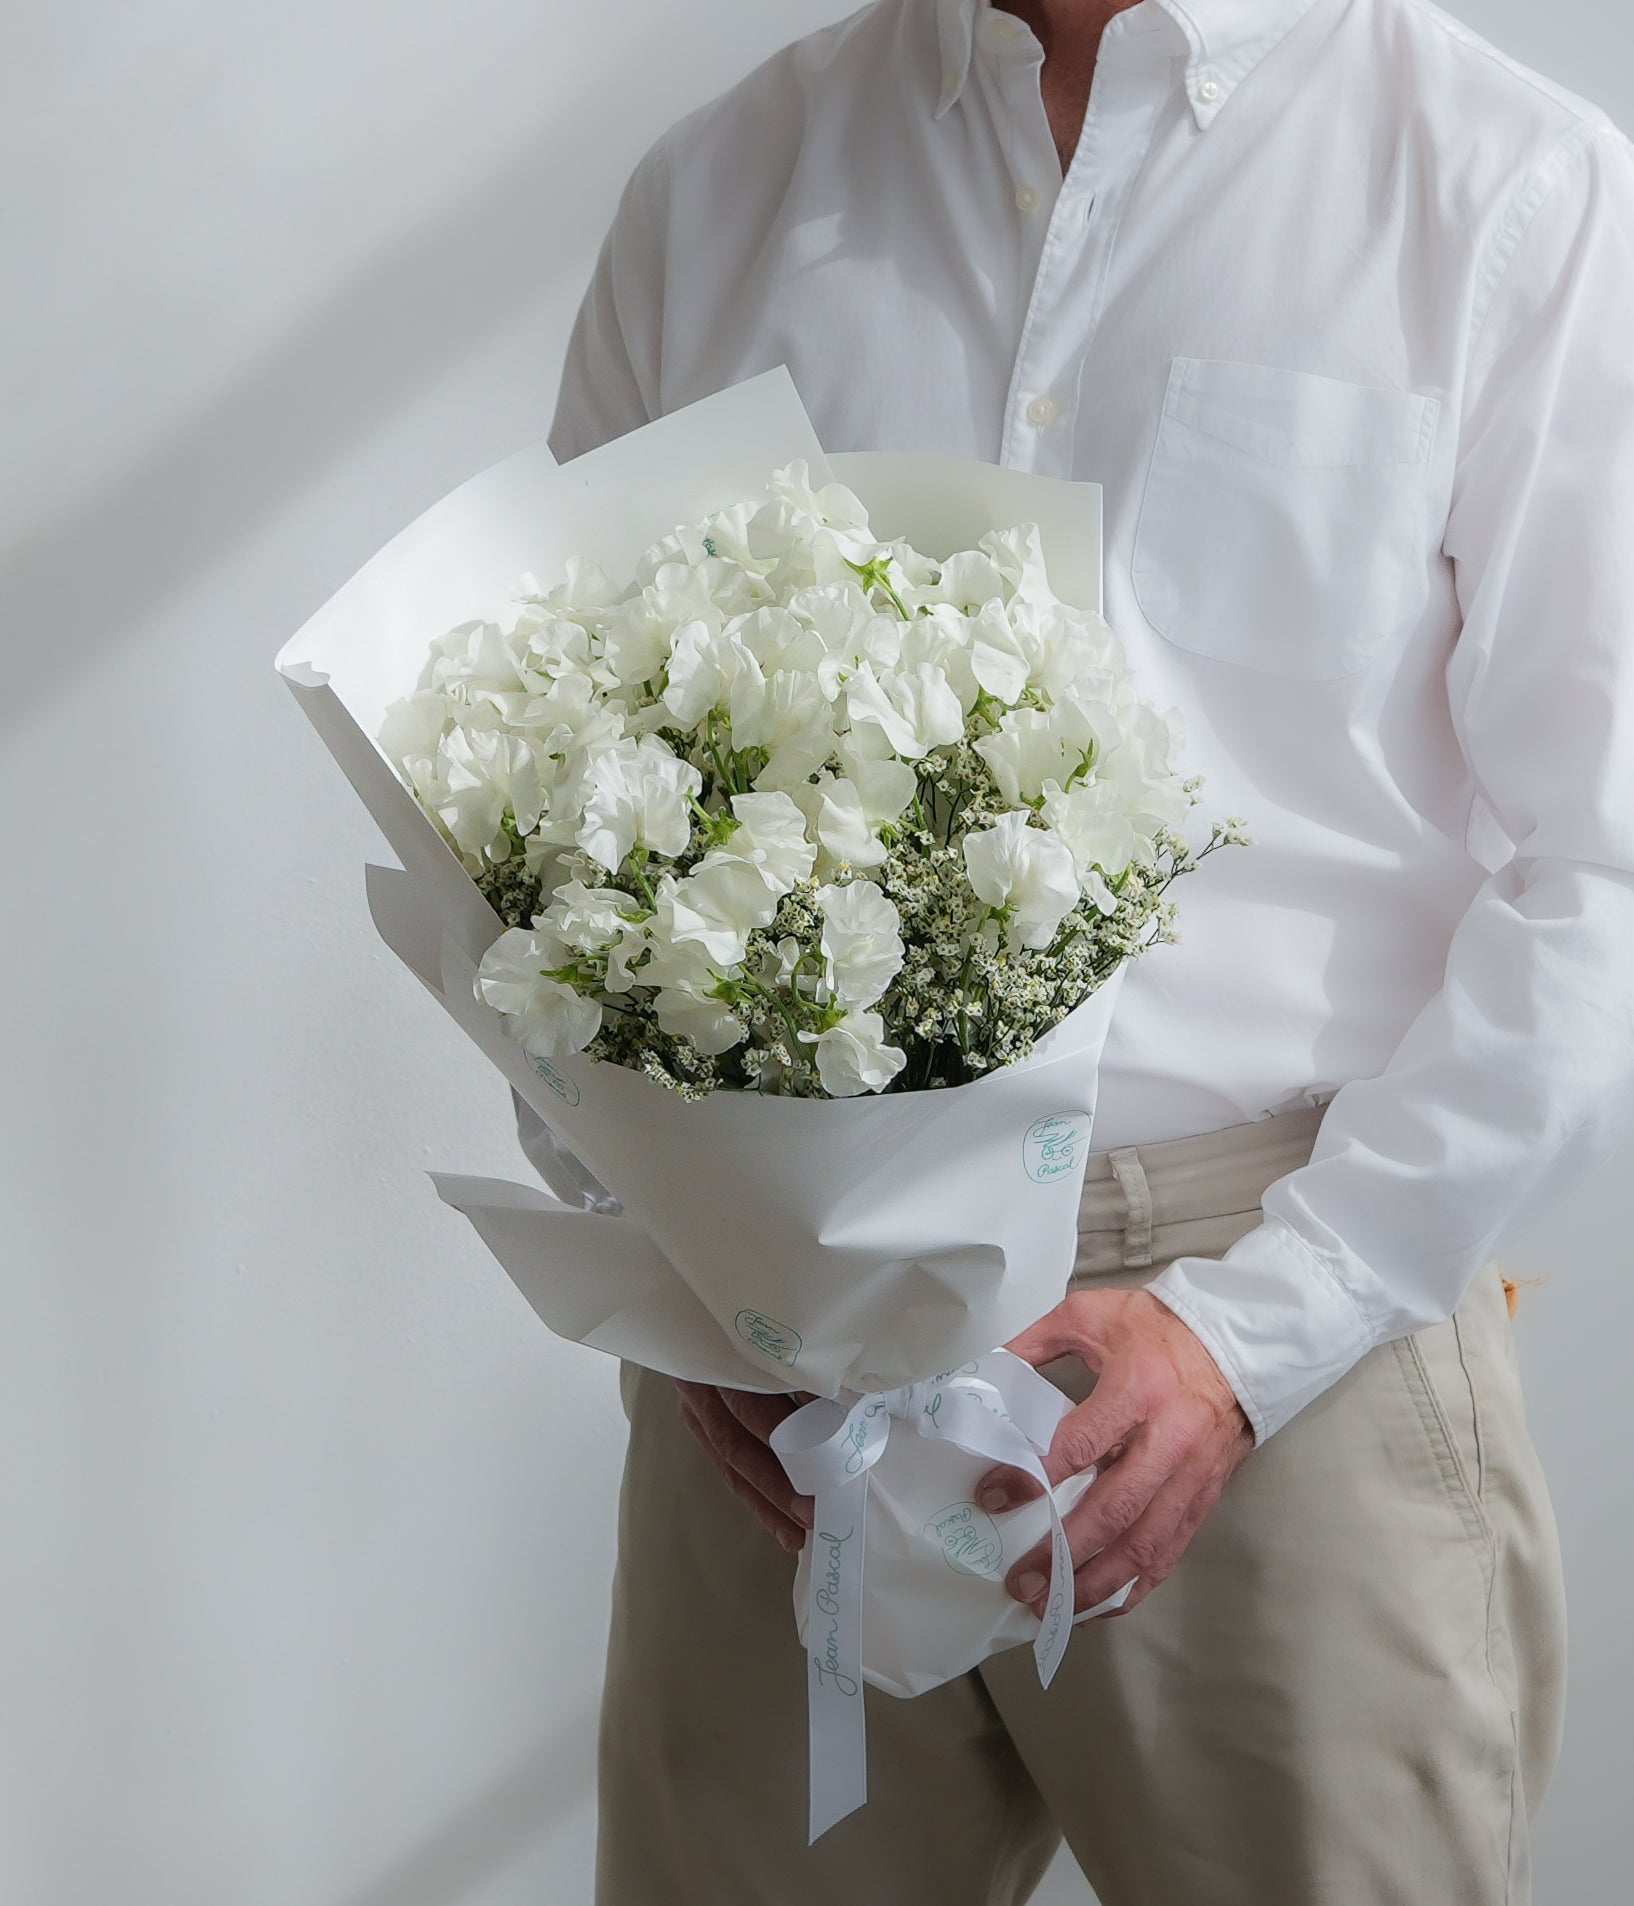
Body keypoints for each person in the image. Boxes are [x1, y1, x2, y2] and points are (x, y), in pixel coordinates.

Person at [534, 2, 1634, 1899]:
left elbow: (1600, 862)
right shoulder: (722, 191)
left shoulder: (1512, 191)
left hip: (1293, 1345)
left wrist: (1244, 1342)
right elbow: (556, 797)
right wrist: (674, 1248)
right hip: (775, 1380)